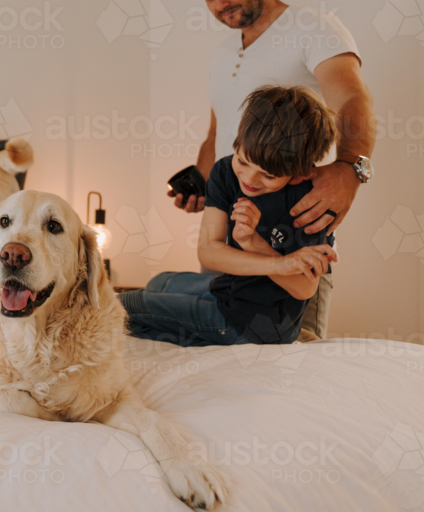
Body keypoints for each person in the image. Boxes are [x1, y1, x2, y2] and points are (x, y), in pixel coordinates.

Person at [171, 0, 375, 341]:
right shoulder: (223, 54)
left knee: (291, 363)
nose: (219, 3)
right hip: (229, 240)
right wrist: (204, 181)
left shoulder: (311, 27)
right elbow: (219, 132)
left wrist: (351, 167)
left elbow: (352, 98)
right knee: (219, 362)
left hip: (289, 235)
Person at [124, 86, 339, 346]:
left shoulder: (310, 201)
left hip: (259, 324)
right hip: (232, 289)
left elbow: (305, 288)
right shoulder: (226, 171)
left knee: (125, 303)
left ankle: (208, 337)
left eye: (268, 176)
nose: (249, 179)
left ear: (299, 173)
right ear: (238, 143)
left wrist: (253, 244)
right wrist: (278, 263)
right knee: (160, 282)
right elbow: (208, 251)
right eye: (243, 160)